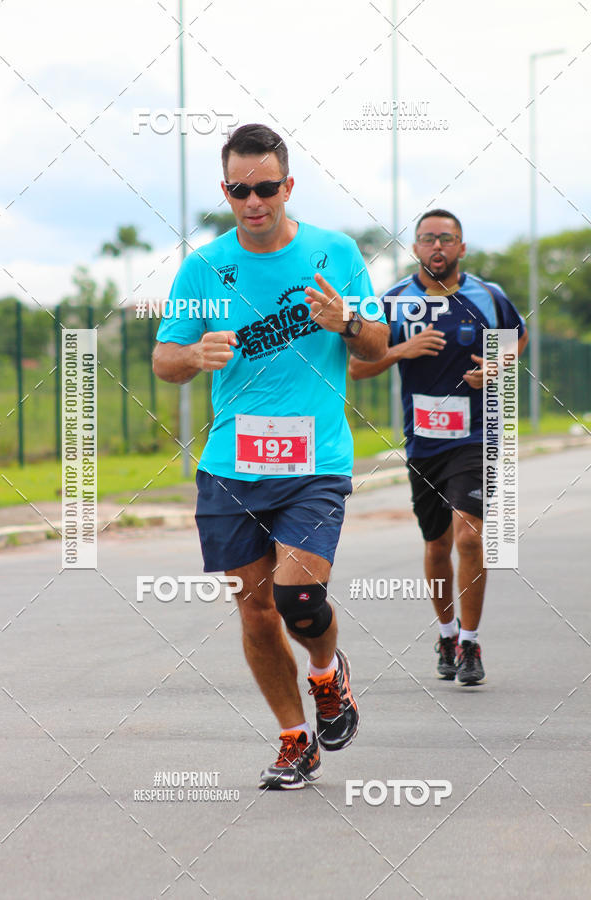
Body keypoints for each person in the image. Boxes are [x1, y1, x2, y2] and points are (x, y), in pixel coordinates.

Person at [153, 124, 388, 788]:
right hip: (231, 465)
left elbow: (375, 348)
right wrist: (194, 356)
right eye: (239, 190)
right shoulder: (203, 268)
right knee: (255, 610)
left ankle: (326, 673)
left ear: (288, 186)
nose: (253, 202)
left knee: (299, 595)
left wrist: (345, 321)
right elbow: (165, 359)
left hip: (315, 459)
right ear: (224, 190)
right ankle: (294, 738)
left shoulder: (335, 253)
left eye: (265, 188)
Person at [349, 209, 528, 685]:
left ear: (461, 248)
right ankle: (446, 635)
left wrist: (494, 368)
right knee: (437, 545)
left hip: (476, 437)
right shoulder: (392, 302)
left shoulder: (488, 298)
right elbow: (357, 368)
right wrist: (400, 351)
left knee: (470, 536)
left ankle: (470, 643)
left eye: (446, 239)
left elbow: (516, 342)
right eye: (427, 238)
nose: (437, 247)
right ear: (416, 248)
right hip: (424, 442)